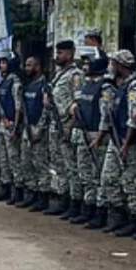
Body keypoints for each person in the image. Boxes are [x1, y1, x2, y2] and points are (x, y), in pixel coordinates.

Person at [91, 50, 136, 235]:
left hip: (130, 142)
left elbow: (134, 118)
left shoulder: (135, 86)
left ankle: (135, 219)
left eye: (114, 63)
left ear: (122, 65)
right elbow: (109, 114)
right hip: (116, 140)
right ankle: (119, 215)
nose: (111, 67)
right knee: (108, 179)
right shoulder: (119, 86)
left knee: (129, 181)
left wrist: (125, 143)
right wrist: (101, 136)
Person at [68, 52, 112, 224]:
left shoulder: (105, 87)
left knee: (99, 175)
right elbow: (78, 103)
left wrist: (100, 136)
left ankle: (100, 212)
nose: (84, 67)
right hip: (82, 133)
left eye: (88, 64)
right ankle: (88, 208)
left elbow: (105, 115)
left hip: (96, 135)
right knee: (85, 173)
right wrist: (73, 108)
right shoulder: (85, 84)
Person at [44, 40, 82, 215]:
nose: (57, 56)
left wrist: (70, 127)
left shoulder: (75, 75)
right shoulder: (58, 74)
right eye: (57, 52)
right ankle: (63, 198)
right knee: (58, 165)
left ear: (70, 54)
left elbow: (77, 104)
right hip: (54, 124)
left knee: (70, 166)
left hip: (66, 125)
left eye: (60, 53)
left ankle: (75, 203)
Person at [17, 56, 49, 209]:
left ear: (38, 66)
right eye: (26, 65)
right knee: (26, 162)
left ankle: (43, 197)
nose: (27, 68)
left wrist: (40, 131)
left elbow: (46, 111)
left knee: (39, 164)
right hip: (27, 128)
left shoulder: (44, 85)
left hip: (38, 129)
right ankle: (32, 192)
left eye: (30, 65)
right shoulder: (27, 86)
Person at [0, 49, 23, 204]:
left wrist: (15, 127)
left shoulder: (15, 81)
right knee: (3, 158)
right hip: (2, 124)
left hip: (11, 124)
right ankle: (5, 186)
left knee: (13, 159)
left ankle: (18, 189)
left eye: (3, 62)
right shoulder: (3, 81)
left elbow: (18, 106)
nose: (0, 65)